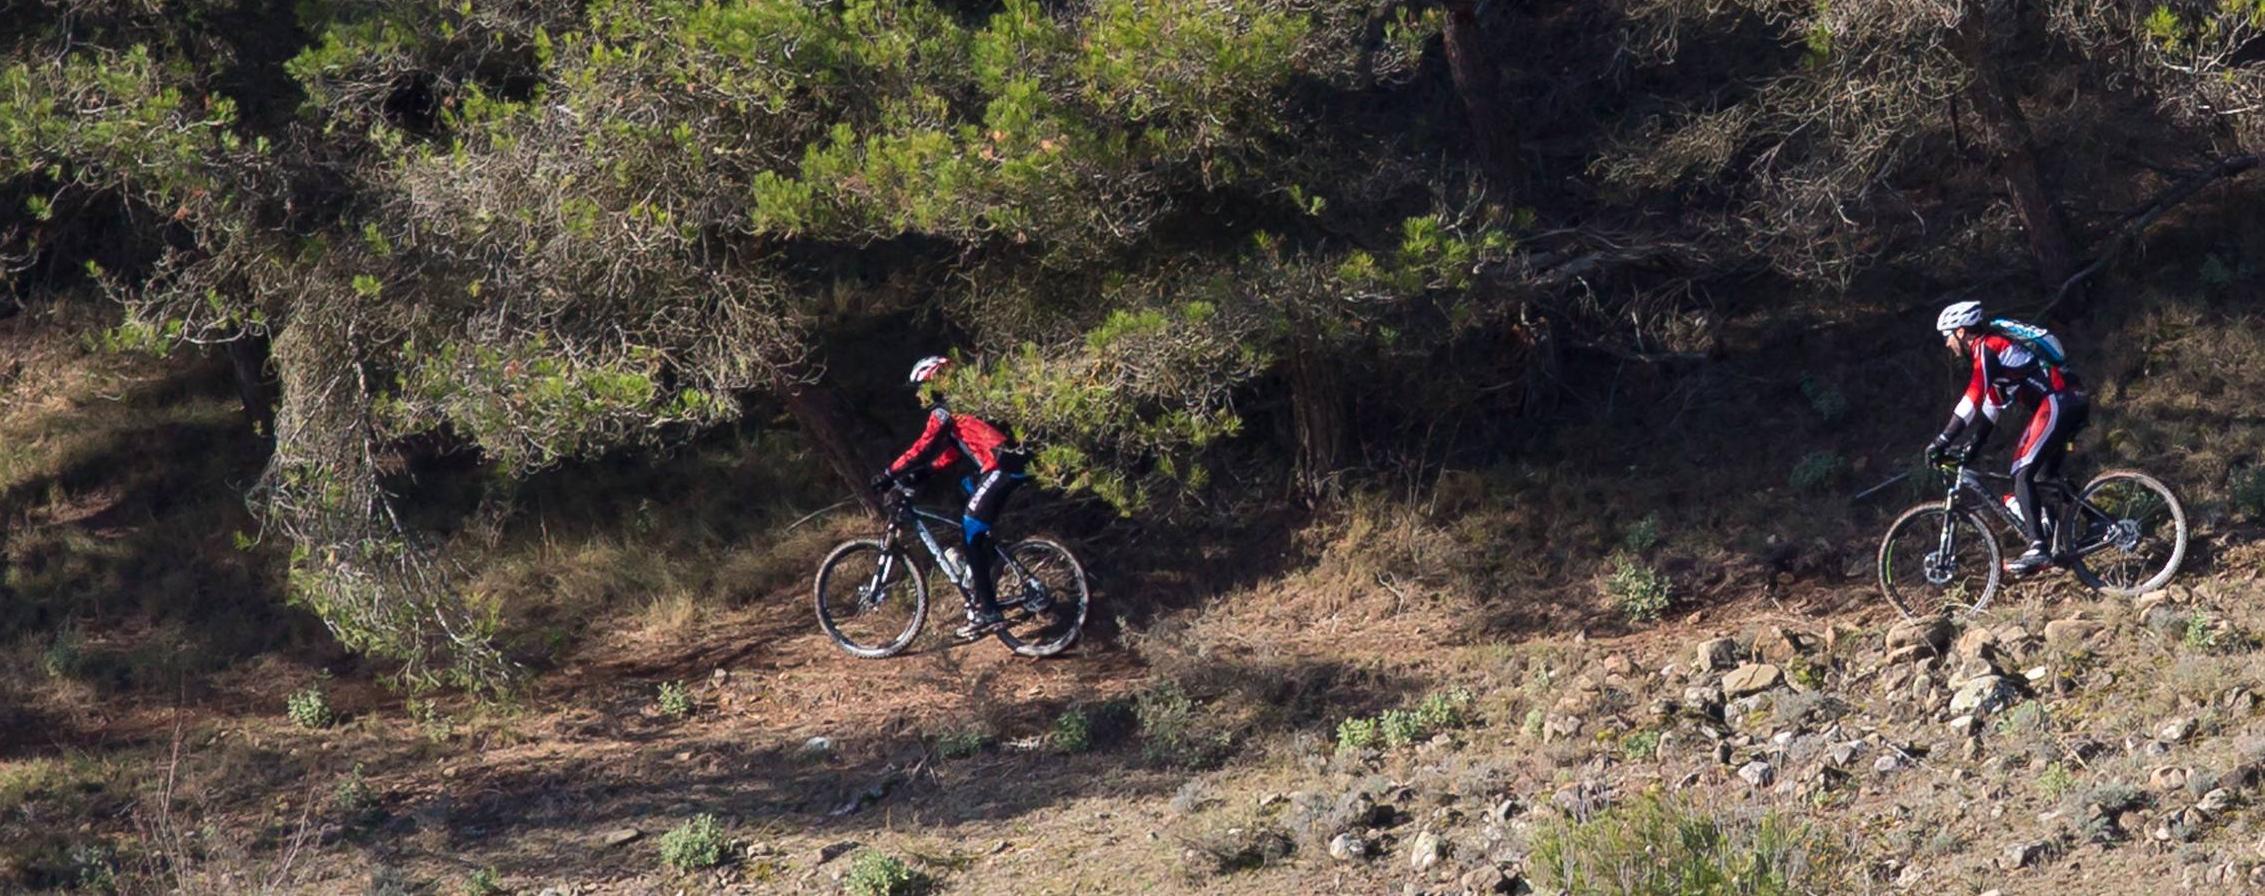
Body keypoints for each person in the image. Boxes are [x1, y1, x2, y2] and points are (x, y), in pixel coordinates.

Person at [869, 355, 1030, 639]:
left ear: (934, 381)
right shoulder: (965, 404)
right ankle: (985, 578)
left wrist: (889, 472)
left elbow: (923, 446)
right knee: (966, 493)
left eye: (923, 388)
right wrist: (924, 473)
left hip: (1002, 468)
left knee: (970, 531)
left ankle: (989, 611)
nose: (921, 396)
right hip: (1006, 467)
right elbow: (955, 451)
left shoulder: (945, 409)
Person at [1924, 301, 2090, 576]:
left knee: (2021, 471)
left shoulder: (1987, 347)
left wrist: (1942, 440)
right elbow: (1991, 408)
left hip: (2057, 400)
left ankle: (2038, 547)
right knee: (2043, 478)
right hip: (2070, 399)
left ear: (1961, 332)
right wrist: (1972, 450)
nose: (1947, 345)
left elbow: (1973, 398)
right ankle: (2095, 524)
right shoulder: (1997, 355)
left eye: (1947, 337)